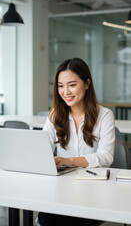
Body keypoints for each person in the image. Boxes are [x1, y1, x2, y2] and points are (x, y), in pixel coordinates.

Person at [37, 58, 115, 226]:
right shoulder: (54, 115)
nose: (66, 91)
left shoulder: (104, 115)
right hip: (62, 189)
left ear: (87, 84)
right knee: (48, 218)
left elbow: (106, 156)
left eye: (72, 85)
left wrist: (69, 161)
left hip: (94, 190)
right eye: (60, 86)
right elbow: (41, 150)